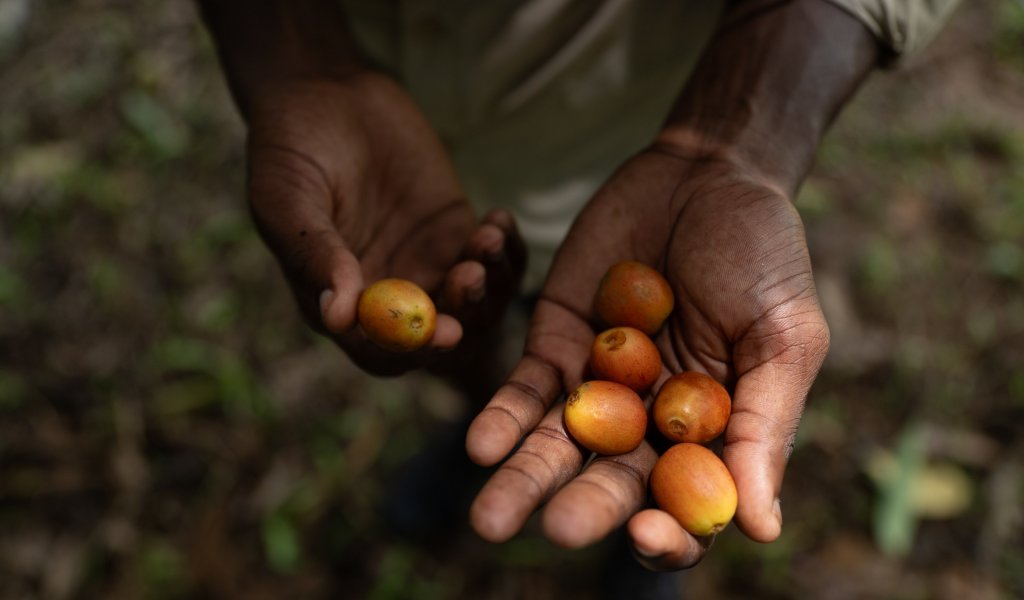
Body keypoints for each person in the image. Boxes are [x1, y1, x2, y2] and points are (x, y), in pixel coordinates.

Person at [197, 0, 959, 573]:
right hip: (382, 148)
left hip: (628, 162)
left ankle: (630, 559)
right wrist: (294, 60)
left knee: (535, 351)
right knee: (471, 341)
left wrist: (733, 148)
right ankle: (473, 442)